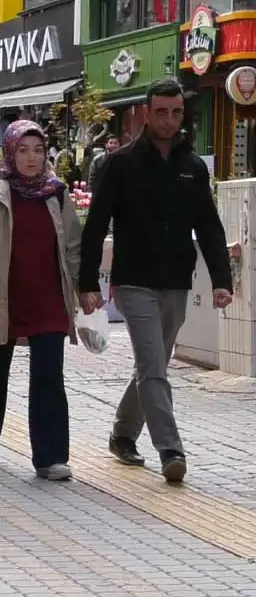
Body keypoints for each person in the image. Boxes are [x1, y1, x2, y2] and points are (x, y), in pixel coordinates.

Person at [78, 79, 231, 483]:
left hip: (176, 281)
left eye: (176, 112)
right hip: (134, 282)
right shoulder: (120, 164)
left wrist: (222, 280)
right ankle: (170, 450)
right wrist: (88, 282)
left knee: (154, 366)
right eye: (161, 112)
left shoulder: (192, 167)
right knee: (153, 365)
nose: (169, 120)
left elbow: (209, 226)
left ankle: (122, 434)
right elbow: (96, 225)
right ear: (146, 113)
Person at [0, 119, 81, 481]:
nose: (31, 158)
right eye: (23, 150)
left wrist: (85, 290)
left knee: (49, 374)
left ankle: (51, 458)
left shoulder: (57, 193)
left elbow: (73, 246)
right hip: (2, 298)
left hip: (49, 300)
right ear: (10, 152)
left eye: (38, 150)